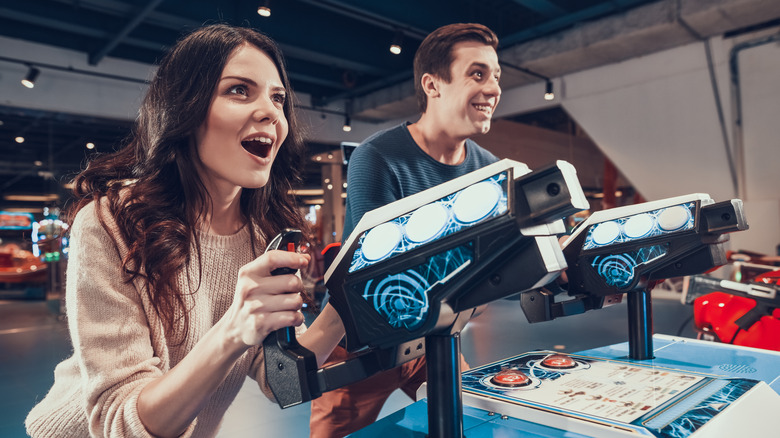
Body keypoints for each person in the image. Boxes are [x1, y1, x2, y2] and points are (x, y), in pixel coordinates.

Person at [25, 23, 344, 438]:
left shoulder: (264, 233)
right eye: (239, 90)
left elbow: (279, 379)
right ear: (185, 110)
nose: (271, 111)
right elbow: (120, 419)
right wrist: (233, 329)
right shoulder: (110, 223)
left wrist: (346, 305)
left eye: (278, 97)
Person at [309, 23, 502, 438]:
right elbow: (369, 279)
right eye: (478, 74)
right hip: (359, 345)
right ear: (433, 85)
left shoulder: (488, 168)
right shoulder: (377, 157)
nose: (493, 88)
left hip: (434, 336)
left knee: (476, 424)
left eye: (496, 76)